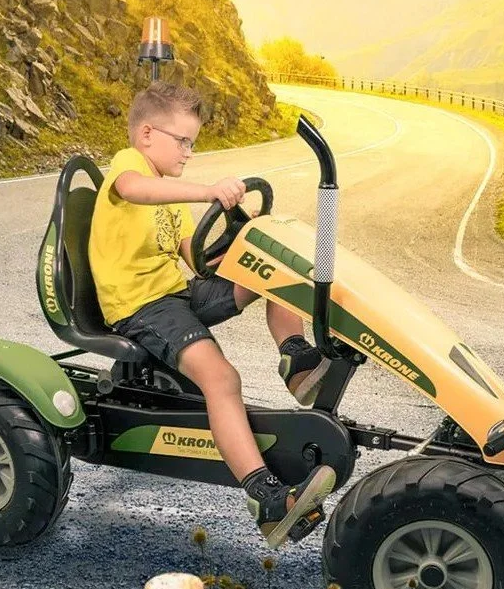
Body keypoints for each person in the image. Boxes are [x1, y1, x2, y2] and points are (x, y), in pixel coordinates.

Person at [87, 80, 335, 547]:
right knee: (221, 379)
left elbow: (199, 260)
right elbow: (134, 189)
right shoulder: (130, 167)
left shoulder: (169, 193)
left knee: (275, 268)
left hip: (176, 291)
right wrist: (208, 191)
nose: (188, 152)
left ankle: (298, 361)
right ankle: (266, 499)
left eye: (192, 145)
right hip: (141, 305)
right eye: (182, 141)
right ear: (146, 134)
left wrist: (252, 247)